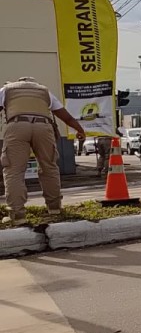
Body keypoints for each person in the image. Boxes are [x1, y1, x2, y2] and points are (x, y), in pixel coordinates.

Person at [0, 76, 86, 226]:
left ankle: (17, 214)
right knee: (49, 167)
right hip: (43, 127)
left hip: (17, 126)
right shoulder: (44, 91)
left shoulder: (6, 90)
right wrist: (80, 130)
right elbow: (65, 116)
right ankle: (54, 208)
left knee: (14, 170)